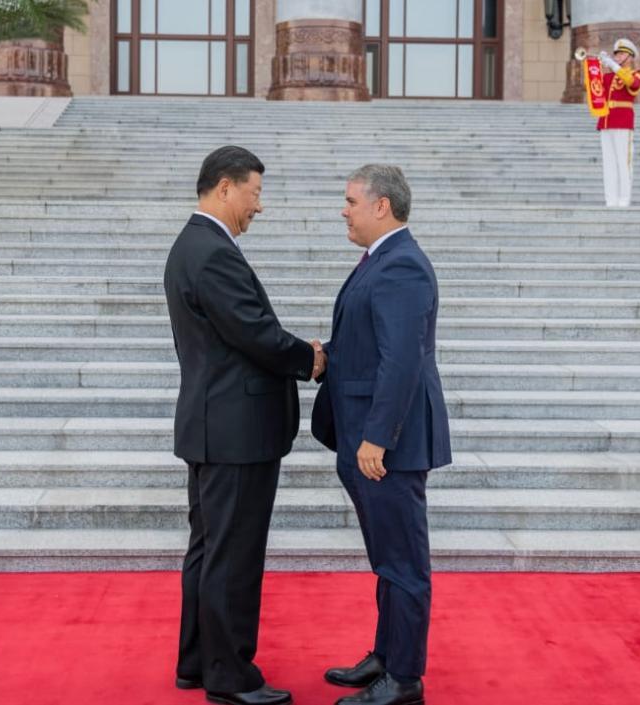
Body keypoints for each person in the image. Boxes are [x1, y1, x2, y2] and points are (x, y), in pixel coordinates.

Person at [163, 145, 326, 705]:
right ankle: (229, 677)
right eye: (255, 193)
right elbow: (253, 332)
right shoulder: (211, 252)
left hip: (215, 425)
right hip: (234, 431)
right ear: (225, 187)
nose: (259, 206)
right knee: (232, 554)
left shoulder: (196, 245)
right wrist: (310, 358)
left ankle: (196, 661)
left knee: (209, 549)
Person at [311, 164, 452, 705]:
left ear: (381, 206)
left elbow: (401, 361)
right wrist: (327, 358)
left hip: (385, 445)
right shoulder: (380, 260)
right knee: (386, 557)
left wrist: (378, 438)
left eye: (350, 201)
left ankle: (406, 679)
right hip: (364, 439)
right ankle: (386, 655)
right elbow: (372, 344)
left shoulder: (402, 267)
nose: (342, 210)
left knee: (404, 561)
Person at [592, 38, 640, 208]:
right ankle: (611, 201)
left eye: (621, 54)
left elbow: (632, 83)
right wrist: (595, 66)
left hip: (623, 121)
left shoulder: (636, 74)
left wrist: (614, 66)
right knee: (609, 164)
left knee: (623, 162)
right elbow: (594, 88)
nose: (617, 56)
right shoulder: (608, 76)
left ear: (630, 57)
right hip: (606, 120)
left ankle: (624, 200)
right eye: (616, 54)